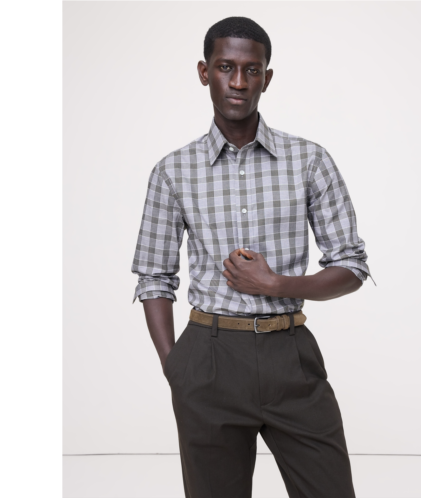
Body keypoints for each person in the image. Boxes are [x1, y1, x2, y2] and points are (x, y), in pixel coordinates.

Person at [132, 16, 371, 498]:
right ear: (205, 72)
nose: (238, 82)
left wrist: (276, 284)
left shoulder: (309, 160)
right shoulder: (173, 171)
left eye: (252, 70)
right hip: (208, 357)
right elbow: (154, 276)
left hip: (291, 354)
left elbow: (351, 265)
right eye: (226, 67)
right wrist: (176, 368)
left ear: (267, 77)